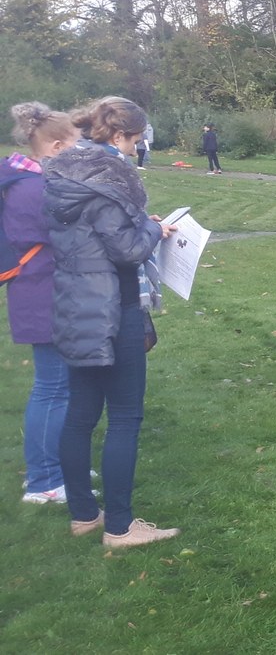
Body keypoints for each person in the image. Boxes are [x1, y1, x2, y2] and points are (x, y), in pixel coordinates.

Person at [45, 96, 178, 547]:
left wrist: (140, 223)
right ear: (119, 135)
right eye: (135, 140)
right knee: (124, 417)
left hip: (74, 306)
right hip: (113, 309)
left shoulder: (65, 173)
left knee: (80, 414)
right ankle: (120, 527)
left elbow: (98, 234)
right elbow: (126, 250)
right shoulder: (108, 178)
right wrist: (152, 230)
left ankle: (83, 514)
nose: (136, 148)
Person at [4, 103, 79, 506]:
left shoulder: (26, 179)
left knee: (60, 386)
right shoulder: (35, 189)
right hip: (43, 294)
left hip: (42, 291)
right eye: (74, 145)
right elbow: (70, 232)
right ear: (55, 147)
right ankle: (44, 480)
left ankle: (57, 466)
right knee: (53, 388)